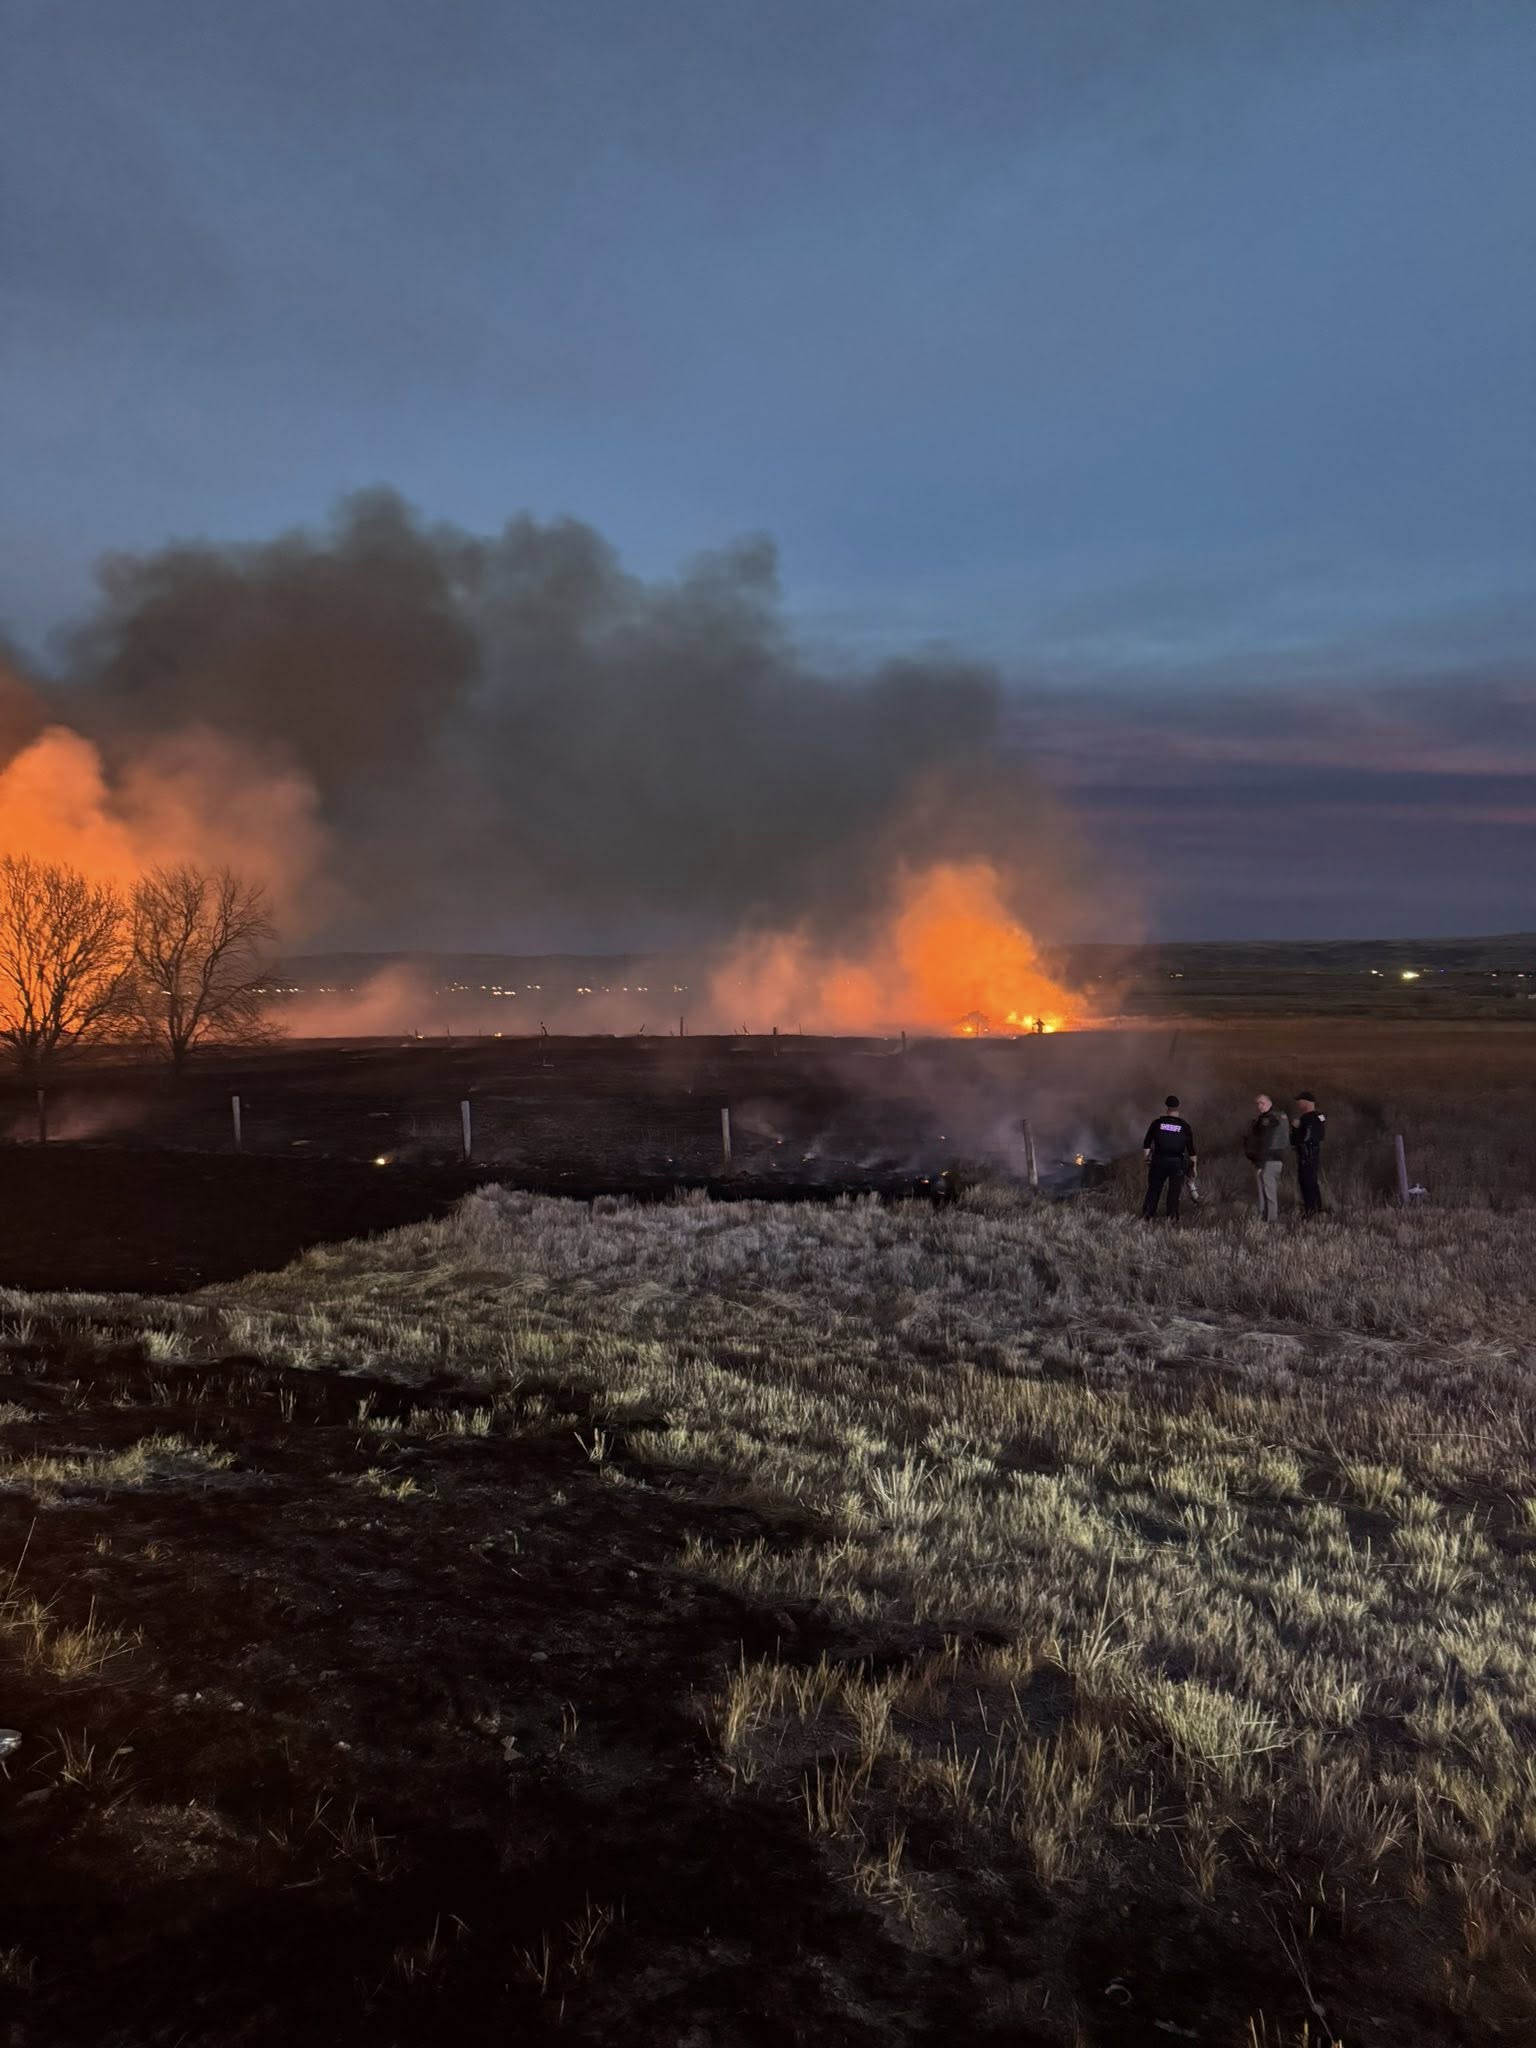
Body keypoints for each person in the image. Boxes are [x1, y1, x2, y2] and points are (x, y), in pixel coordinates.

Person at [1142, 1095, 1197, 1220]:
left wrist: (1147, 1160)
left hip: (1159, 1161)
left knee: (1154, 1189)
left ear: (1167, 1109)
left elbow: (1146, 1143)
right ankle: (1171, 1217)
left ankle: (1147, 1215)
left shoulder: (1157, 1123)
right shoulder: (1185, 1126)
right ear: (1178, 1110)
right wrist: (1194, 1168)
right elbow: (1192, 1151)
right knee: (1174, 1191)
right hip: (1177, 1163)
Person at [1245, 1092, 1288, 1221]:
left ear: (1270, 1103)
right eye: (1258, 1103)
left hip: (1268, 1160)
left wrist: (1260, 1164)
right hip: (1276, 1159)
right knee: (1268, 1192)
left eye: (1262, 1103)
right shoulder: (1279, 1117)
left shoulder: (1268, 1120)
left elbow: (1265, 1142)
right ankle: (1267, 1219)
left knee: (1267, 1193)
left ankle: (1270, 1221)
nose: (1259, 1106)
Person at [1291, 1092, 1326, 1214]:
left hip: (1305, 1154)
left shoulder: (1305, 1118)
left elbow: (1301, 1139)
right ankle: (1317, 1208)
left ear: (1305, 1102)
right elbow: (1321, 1134)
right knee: (1313, 1181)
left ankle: (1310, 1210)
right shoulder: (1320, 1116)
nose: (1298, 1104)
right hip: (1315, 1152)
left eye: (1299, 1101)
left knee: (1306, 1182)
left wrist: (1295, 1129)